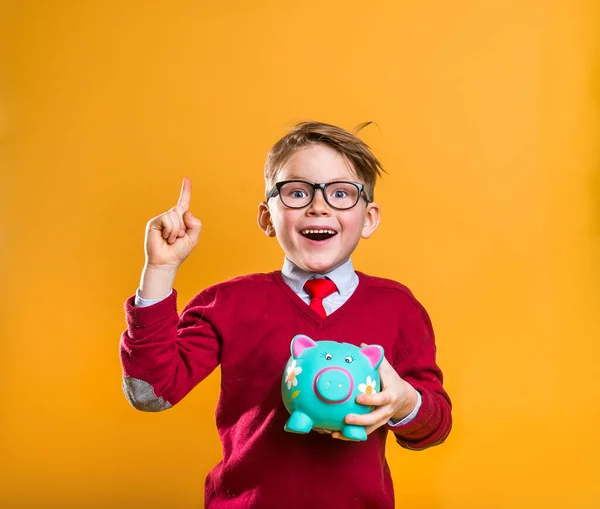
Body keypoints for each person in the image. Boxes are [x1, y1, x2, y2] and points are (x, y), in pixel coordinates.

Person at [119, 121, 452, 509]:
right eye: (297, 192)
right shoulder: (227, 303)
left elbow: (434, 428)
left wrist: (405, 403)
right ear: (266, 217)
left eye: (341, 193)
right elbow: (150, 393)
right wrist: (159, 271)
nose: (318, 205)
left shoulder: (398, 308)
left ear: (370, 218)